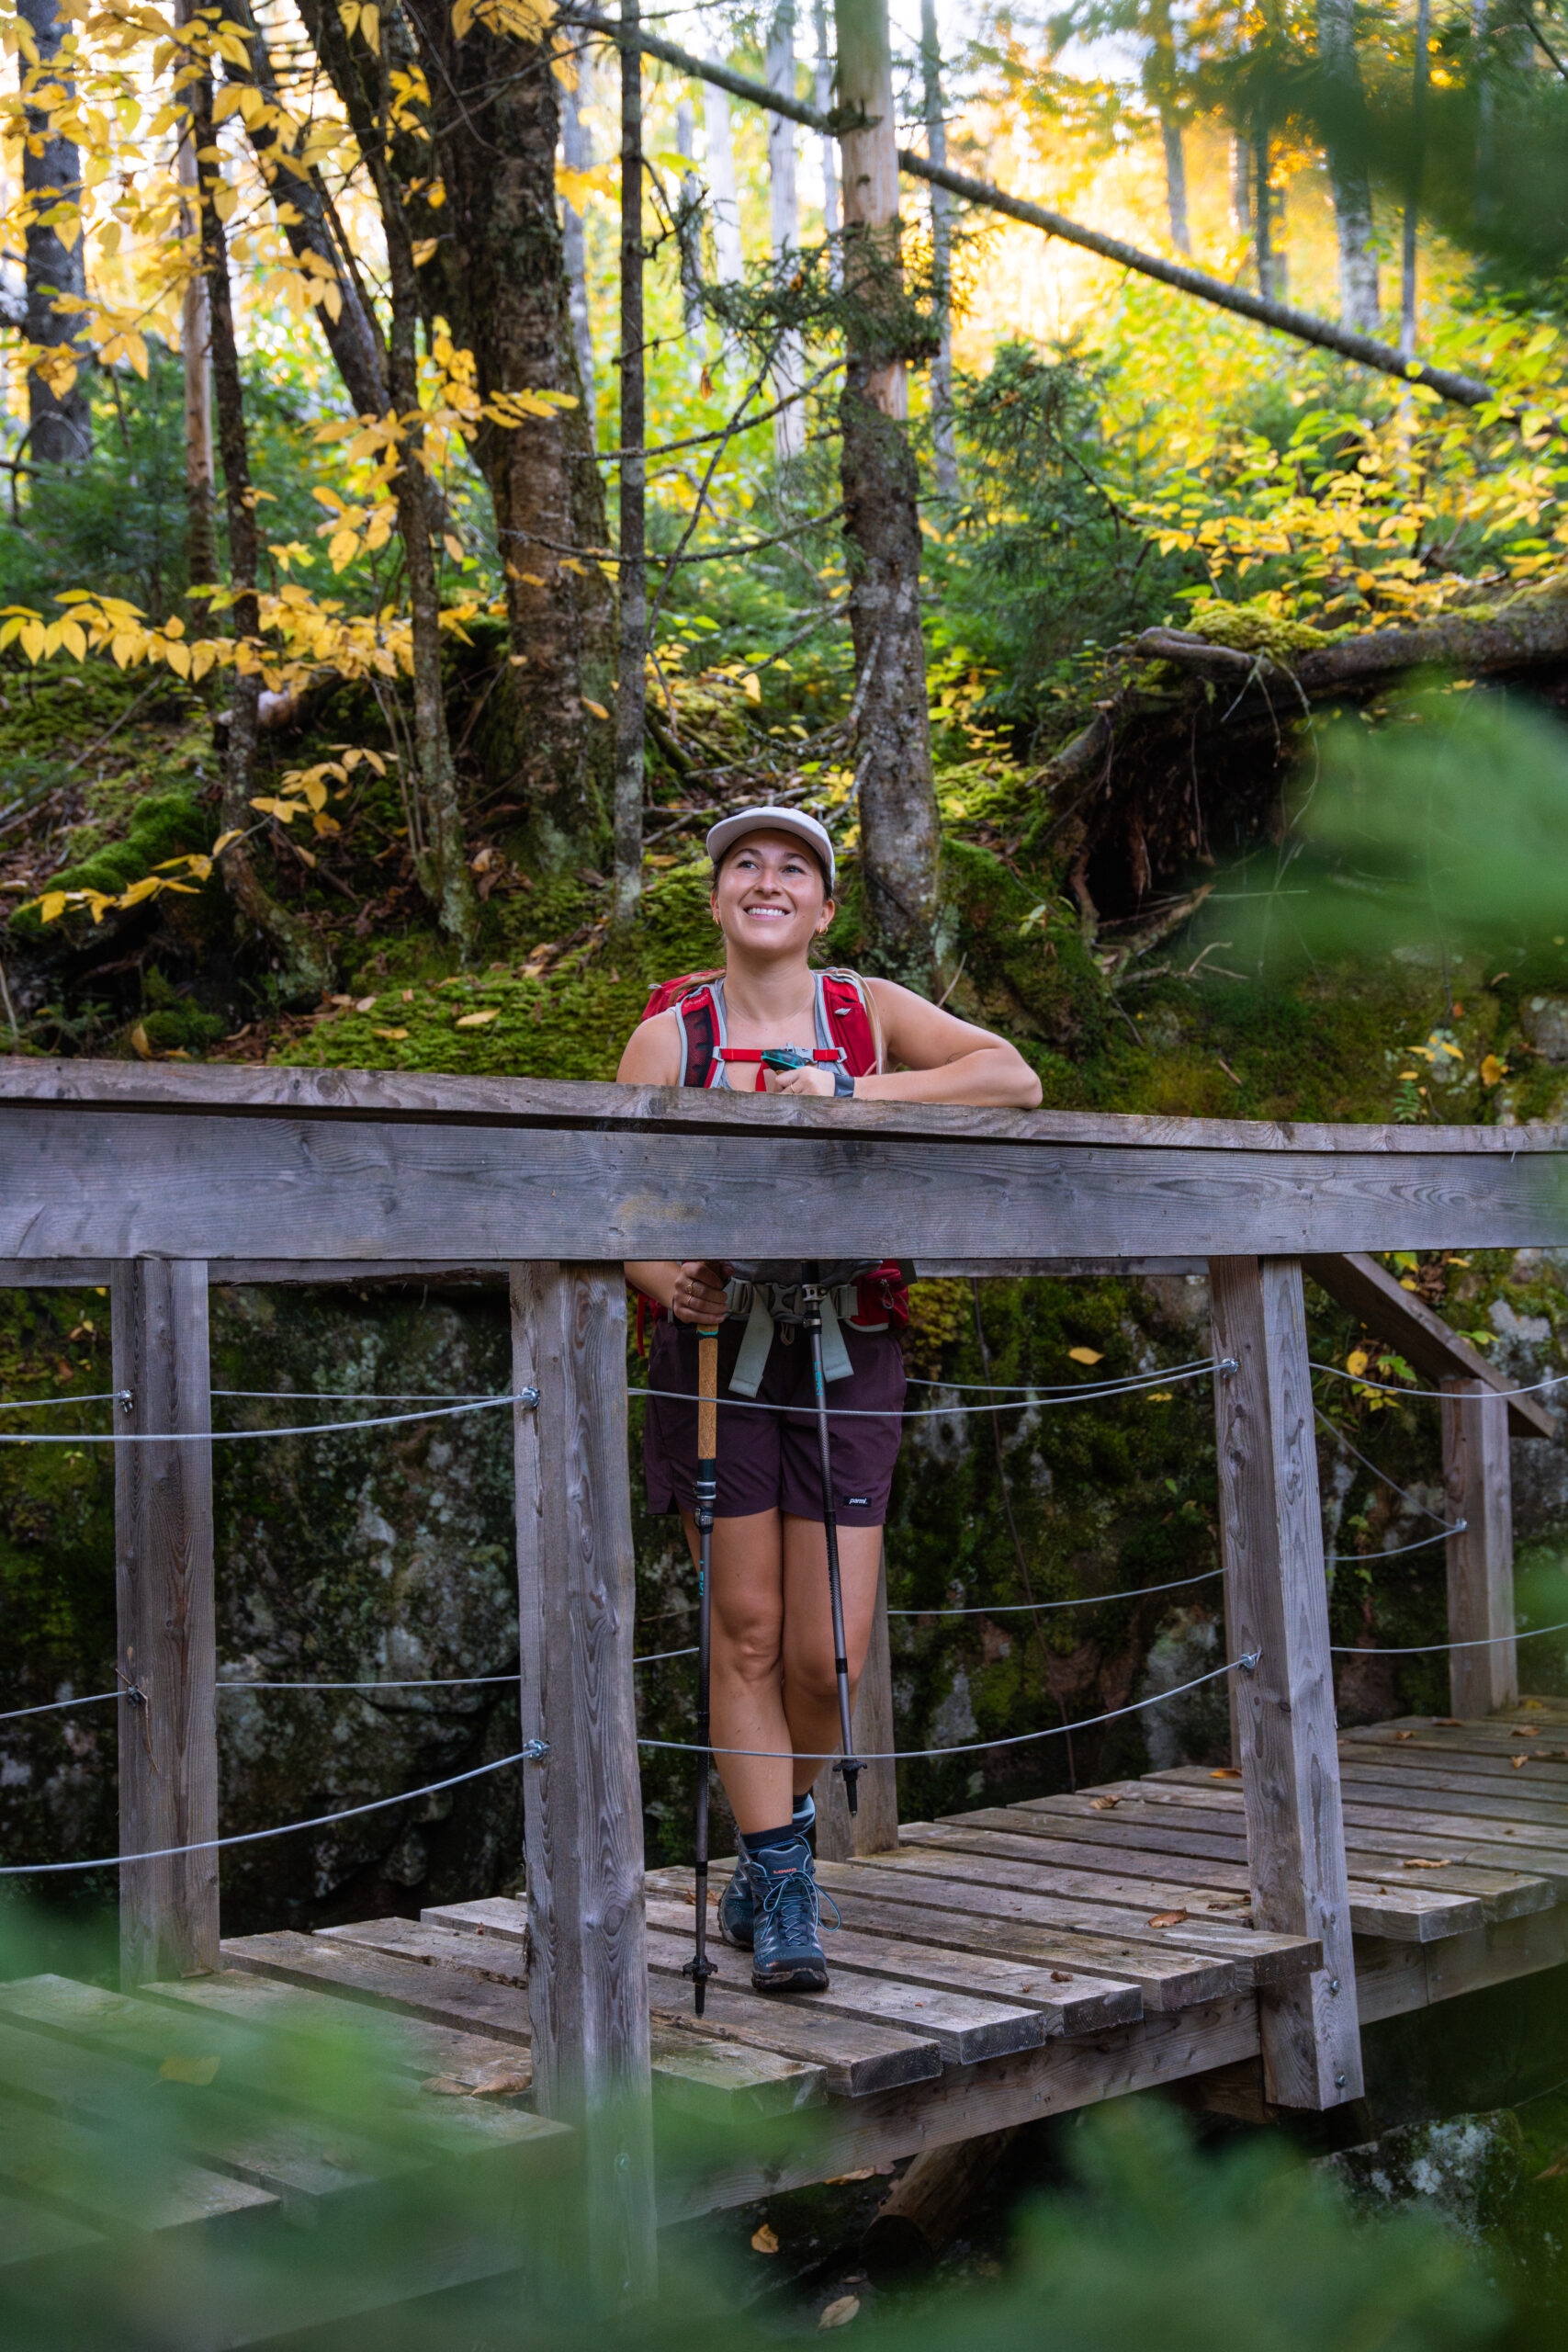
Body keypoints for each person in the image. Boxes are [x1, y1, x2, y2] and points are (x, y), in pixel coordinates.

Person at [618, 807, 1042, 1994]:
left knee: (831, 1658)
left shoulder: (862, 1012)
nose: (767, 880)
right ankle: (785, 1889)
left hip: (848, 1350)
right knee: (744, 1630)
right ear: (714, 902)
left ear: (821, 908)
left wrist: (855, 1098)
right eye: (744, 864)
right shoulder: (670, 1036)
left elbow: (1011, 1077)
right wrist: (670, 1286)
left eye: (792, 867)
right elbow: (615, 1212)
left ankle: (770, 1852)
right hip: (714, 1366)